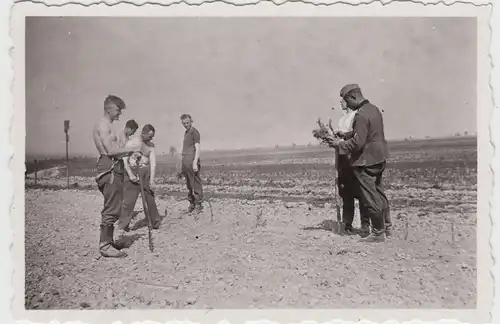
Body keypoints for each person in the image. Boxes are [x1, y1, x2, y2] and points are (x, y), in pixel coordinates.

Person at [327, 84, 392, 242]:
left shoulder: (361, 115)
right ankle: (387, 226)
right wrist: (346, 134)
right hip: (379, 158)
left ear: (353, 97)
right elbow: (365, 132)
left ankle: (378, 232)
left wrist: (339, 144)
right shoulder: (374, 109)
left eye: (347, 101)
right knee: (379, 193)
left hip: (365, 161)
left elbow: (358, 143)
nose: (347, 105)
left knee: (370, 196)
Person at [92, 95, 135, 258]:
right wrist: (132, 150)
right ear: (109, 108)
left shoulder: (109, 126)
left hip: (113, 167)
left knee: (115, 205)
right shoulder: (103, 126)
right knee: (111, 207)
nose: (119, 114)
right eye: (118, 110)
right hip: (108, 168)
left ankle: (108, 242)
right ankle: (104, 246)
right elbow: (110, 151)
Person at [332, 99, 371, 236]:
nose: (341, 103)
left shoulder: (356, 116)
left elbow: (356, 137)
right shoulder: (342, 119)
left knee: (361, 193)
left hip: (354, 157)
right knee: (346, 193)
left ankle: (365, 225)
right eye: (340, 101)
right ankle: (347, 224)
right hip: (343, 157)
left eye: (343, 101)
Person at [117, 124, 162, 232]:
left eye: (152, 137)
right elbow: (124, 159)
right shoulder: (132, 143)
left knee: (150, 199)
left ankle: (155, 222)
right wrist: (131, 175)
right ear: (143, 133)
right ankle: (123, 226)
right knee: (128, 201)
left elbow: (153, 163)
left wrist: (151, 180)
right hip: (132, 173)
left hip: (145, 173)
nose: (151, 138)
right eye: (150, 136)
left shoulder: (151, 145)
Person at [180, 114, 203, 214]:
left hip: (192, 160)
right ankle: (192, 203)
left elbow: (197, 148)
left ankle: (198, 204)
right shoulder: (186, 132)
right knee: (189, 184)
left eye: (187, 123)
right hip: (185, 160)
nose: (186, 125)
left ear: (191, 121)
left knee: (196, 182)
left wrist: (194, 162)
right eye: (184, 123)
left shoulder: (195, 132)